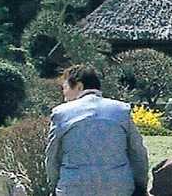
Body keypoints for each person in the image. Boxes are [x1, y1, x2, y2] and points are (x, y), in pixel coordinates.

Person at [45, 64, 149, 196]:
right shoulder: (121, 110)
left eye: (65, 88)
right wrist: (141, 186)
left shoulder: (61, 113)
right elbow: (137, 152)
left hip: (74, 188)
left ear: (79, 86)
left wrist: (54, 186)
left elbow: (53, 156)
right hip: (118, 187)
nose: (64, 95)